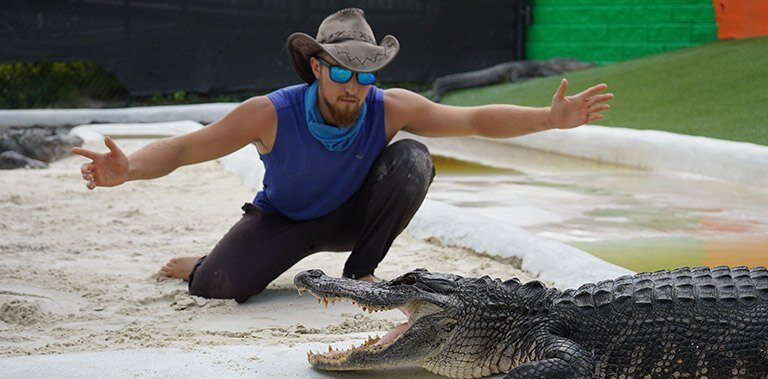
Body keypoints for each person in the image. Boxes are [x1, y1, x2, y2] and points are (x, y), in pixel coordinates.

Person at [73, 8, 613, 304]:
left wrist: (548, 118)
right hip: (281, 218)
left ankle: (360, 275)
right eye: (343, 72)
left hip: (351, 219)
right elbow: (190, 146)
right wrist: (131, 169)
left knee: (414, 160)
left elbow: (472, 121)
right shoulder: (270, 113)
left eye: (366, 73)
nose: (355, 86)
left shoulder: (388, 107)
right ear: (316, 68)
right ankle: (206, 263)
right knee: (221, 287)